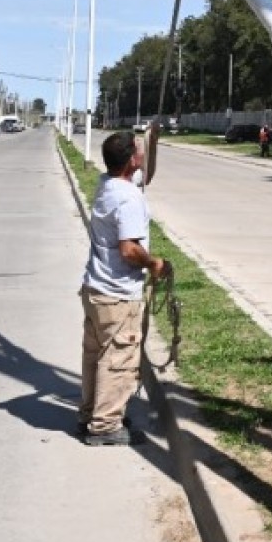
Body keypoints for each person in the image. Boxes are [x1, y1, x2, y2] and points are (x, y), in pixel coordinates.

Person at [79, 129, 167, 446]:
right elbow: (129, 250)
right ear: (131, 160)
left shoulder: (109, 185)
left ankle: (91, 414)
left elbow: (146, 175)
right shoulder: (129, 198)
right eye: (140, 151)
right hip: (117, 294)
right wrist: (154, 263)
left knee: (95, 358)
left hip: (96, 289)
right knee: (118, 361)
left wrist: (152, 142)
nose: (142, 157)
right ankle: (105, 427)